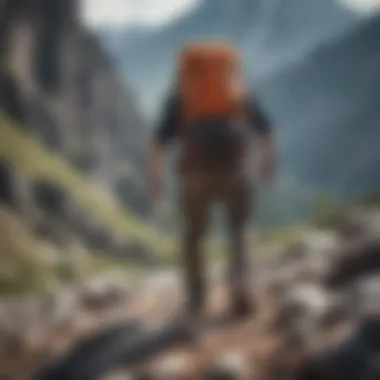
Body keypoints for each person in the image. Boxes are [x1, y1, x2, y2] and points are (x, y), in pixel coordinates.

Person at [147, 41, 276, 321]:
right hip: (235, 170)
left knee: (193, 236)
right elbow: (267, 132)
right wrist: (267, 166)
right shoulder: (238, 93)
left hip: (195, 175)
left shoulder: (182, 97)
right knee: (239, 229)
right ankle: (240, 290)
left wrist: (156, 180)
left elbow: (158, 142)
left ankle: (196, 299)